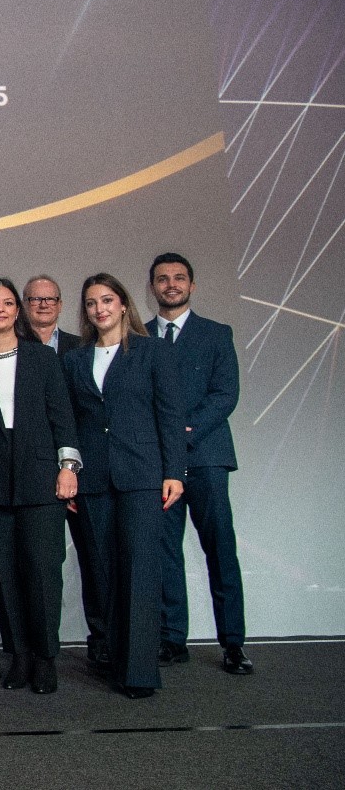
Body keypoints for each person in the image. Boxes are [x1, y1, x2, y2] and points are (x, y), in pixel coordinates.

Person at [0, 279, 81, 694]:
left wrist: (68, 467)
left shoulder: (43, 357)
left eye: (8, 303)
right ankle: (20, 657)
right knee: (3, 575)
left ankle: (45, 658)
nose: (1, 309)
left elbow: (63, 418)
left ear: (17, 311)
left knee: (42, 573)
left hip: (41, 482)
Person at [62, 273, 185, 699]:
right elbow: (69, 424)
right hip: (92, 480)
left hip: (142, 477)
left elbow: (170, 414)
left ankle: (139, 673)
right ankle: (115, 660)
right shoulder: (75, 360)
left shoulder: (152, 351)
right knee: (103, 573)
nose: (100, 309)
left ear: (123, 304)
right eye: (91, 303)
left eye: (107, 300)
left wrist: (174, 472)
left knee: (139, 573)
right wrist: (70, 473)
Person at [147, 253, 251, 675]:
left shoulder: (216, 334)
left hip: (206, 457)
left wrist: (184, 432)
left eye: (179, 278)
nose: (171, 284)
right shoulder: (138, 337)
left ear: (191, 285)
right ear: (152, 287)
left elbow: (225, 394)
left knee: (220, 550)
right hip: (157, 464)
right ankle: (173, 639)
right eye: (162, 279)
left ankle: (233, 643)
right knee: (164, 553)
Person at [24, 274, 105, 669]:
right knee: (40, 568)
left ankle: (102, 644)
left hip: (81, 474)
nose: (43, 305)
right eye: (35, 299)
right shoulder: (11, 349)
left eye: (51, 298)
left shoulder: (83, 348)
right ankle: (40, 650)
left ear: (60, 304)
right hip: (33, 475)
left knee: (95, 562)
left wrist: (71, 467)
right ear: (24, 305)